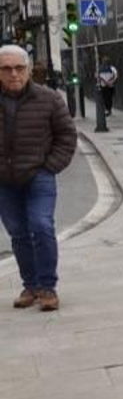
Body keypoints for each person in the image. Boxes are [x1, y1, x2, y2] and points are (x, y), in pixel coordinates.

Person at [0, 45, 76, 312]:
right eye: (6, 69)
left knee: (41, 226)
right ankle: (30, 285)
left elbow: (67, 136)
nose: (13, 74)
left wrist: (50, 167)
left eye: (19, 68)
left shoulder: (48, 98)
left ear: (28, 70)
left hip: (38, 175)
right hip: (4, 180)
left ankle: (47, 287)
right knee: (18, 233)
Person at [95, 60, 118, 133]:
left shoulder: (101, 68)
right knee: (109, 97)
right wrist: (110, 82)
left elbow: (97, 76)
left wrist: (103, 82)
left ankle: (108, 109)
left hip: (104, 85)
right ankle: (108, 109)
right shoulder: (112, 68)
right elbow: (115, 76)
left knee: (106, 97)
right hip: (110, 85)